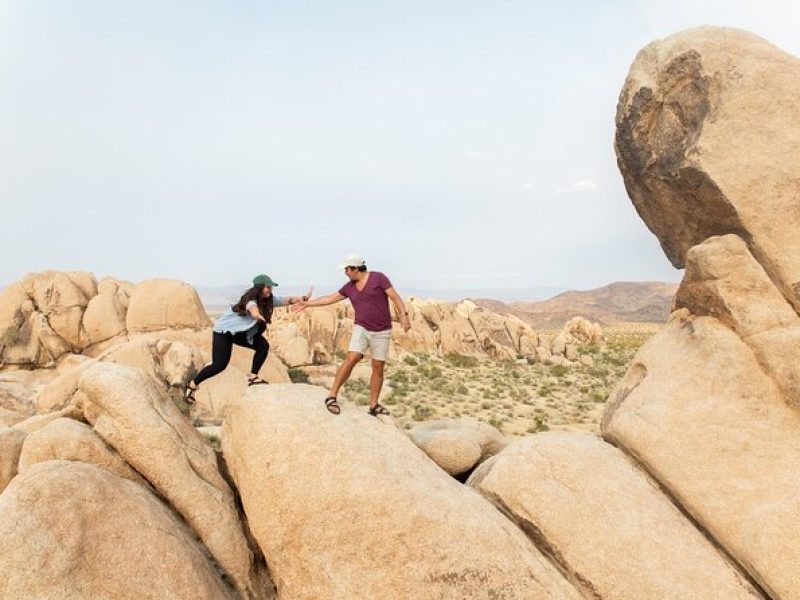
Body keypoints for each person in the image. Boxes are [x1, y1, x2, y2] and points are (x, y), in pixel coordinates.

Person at [294, 254, 410, 416]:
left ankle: (373, 405)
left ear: (355, 269)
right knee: (352, 358)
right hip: (361, 328)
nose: (345, 272)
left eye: (347, 269)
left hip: (382, 330)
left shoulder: (378, 278)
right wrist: (308, 304)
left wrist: (403, 316)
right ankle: (332, 396)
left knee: (378, 368)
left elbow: (395, 297)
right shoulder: (349, 287)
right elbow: (331, 298)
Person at [184, 274, 310, 404]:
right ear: (259, 287)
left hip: (240, 333)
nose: (270, 290)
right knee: (219, 365)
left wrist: (303, 298)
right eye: (267, 287)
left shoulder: (268, 300)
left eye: (271, 287)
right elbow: (252, 308)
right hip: (224, 331)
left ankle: (253, 377)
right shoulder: (250, 300)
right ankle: (192, 384)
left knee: (263, 346)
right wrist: (256, 315)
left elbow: (287, 300)